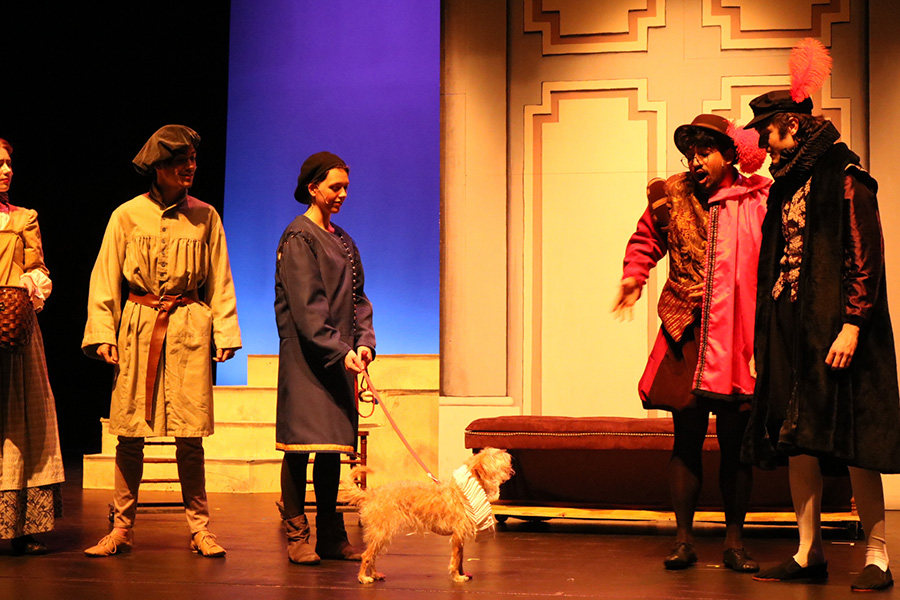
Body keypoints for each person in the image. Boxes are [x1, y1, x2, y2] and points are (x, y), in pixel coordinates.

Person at [744, 89, 900, 592]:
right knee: (796, 437)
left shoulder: (846, 179)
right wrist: (764, 336)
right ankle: (807, 549)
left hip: (836, 326)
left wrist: (853, 323)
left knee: (855, 438)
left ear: (790, 125)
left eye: (767, 130)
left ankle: (877, 555)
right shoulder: (786, 186)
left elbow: (865, 256)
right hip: (792, 323)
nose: (764, 144)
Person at [613, 115, 770, 572]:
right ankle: (683, 540)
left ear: (727, 155)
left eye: (705, 153)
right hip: (686, 328)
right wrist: (633, 275)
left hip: (737, 333)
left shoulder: (753, 196)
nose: (695, 162)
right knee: (686, 438)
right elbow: (646, 239)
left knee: (737, 441)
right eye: (691, 154)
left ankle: (734, 543)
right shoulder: (672, 196)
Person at [82, 125, 241, 558]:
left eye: (192, 159)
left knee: (190, 436)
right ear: (158, 167)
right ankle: (121, 528)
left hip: (189, 326)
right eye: (179, 161)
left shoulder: (206, 216)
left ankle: (200, 529)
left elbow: (220, 277)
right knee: (129, 431)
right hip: (138, 326)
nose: (189, 167)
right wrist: (102, 332)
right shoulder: (126, 215)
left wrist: (224, 330)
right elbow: (105, 276)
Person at [274, 151, 375, 565]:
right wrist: (340, 350)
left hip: (342, 358)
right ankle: (297, 533)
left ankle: (331, 536)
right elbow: (308, 308)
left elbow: (358, 299)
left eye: (346, 187)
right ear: (313, 189)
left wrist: (364, 341)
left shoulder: (344, 240)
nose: (342, 194)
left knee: (332, 449)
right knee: (300, 448)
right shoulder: (298, 238)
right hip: (309, 360)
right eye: (335, 187)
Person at [0, 138, 64, 555]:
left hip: (11, 328)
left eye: (8, 162)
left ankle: (20, 523)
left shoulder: (24, 218)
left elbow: (38, 270)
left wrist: (20, 290)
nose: (5, 170)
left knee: (20, 421)